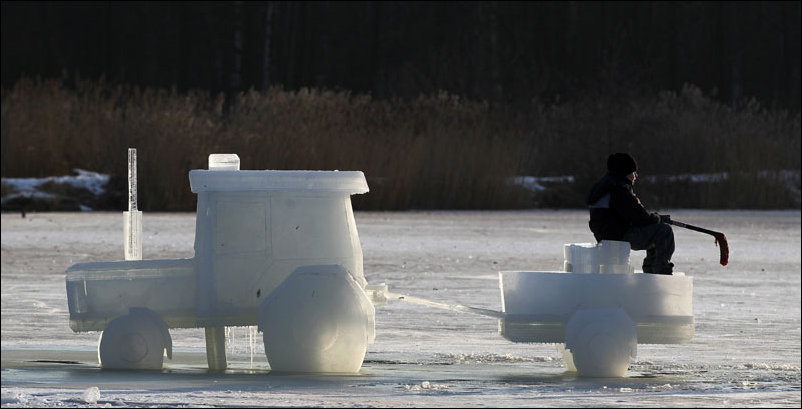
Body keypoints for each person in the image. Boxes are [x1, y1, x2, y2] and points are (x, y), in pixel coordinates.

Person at [586, 153, 675, 275]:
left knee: (655, 230)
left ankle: (652, 271)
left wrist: (655, 218)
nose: (636, 175)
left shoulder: (606, 185)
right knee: (664, 231)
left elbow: (632, 214)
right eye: (633, 172)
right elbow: (640, 217)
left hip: (607, 234)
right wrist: (659, 219)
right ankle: (660, 273)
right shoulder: (618, 189)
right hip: (619, 235)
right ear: (625, 172)